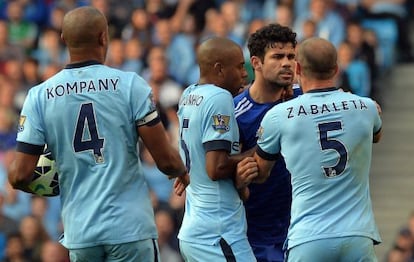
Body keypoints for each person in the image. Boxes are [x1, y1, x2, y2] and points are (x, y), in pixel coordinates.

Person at [8, 6, 189, 262]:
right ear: (104, 37)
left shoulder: (39, 96)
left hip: (81, 232)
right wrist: (182, 172)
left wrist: (47, 183)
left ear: (64, 39)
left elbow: (19, 175)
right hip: (130, 229)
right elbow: (166, 160)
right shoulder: (130, 85)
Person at [244, 37, 383, 261]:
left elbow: (260, 173)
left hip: (308, 237)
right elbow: (376, 134)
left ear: (298, 68)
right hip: (358, 234)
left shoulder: (279, 116)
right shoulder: (365, 106)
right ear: (337, 69)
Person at [177, 37, 256, 262]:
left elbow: (197, 156)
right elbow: (216, 167)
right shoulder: (219, 97)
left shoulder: (188, 94)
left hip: (196, 229)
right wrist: (261, 150)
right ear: (219, 69)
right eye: (240, 66)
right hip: (217, 232)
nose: (244, 73)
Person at [234, 23, 299, 262]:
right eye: (278, 56)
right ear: (257, 62)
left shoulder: (304, 99)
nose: (287, 63)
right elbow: (222, 170)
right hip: (257, 237)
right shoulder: (237, 114)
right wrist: (238, 182)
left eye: (291, 56)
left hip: (303, 231)